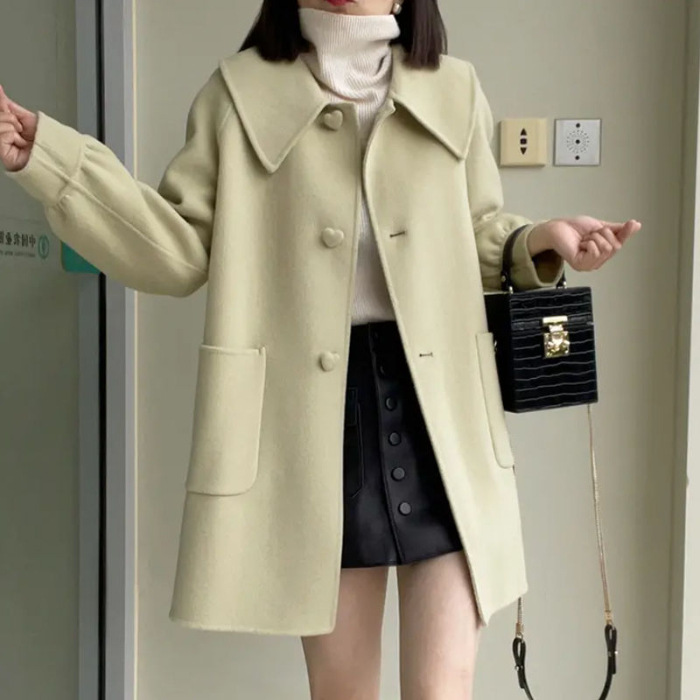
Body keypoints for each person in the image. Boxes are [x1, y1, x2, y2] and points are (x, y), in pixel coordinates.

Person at [0, 0, 641, 697]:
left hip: (445, 417)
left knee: (443, 688)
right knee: (342, 689)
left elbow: (478, 232)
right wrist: (50, 160)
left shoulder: (455, 89)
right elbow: (177, 247)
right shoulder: (238, 93)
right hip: (317, 423)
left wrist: (540, 240)